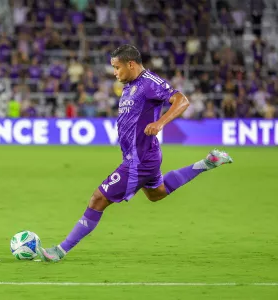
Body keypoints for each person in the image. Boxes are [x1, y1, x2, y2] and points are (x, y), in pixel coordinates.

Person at [37, 45, 233, 262]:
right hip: (140, 155)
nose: (114, 72)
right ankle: (207, 163)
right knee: (157, 193)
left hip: (139, 159)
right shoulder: (130, 85)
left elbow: (182, 100)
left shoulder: (150, 82)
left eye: (117, 67)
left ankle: (60, 250)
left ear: (131, 64)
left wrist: (160, 123)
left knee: (98, 198)